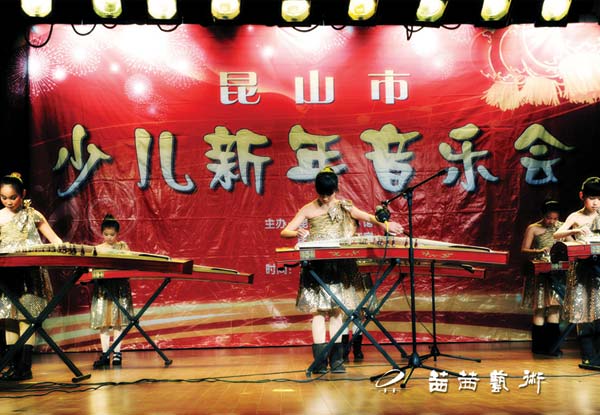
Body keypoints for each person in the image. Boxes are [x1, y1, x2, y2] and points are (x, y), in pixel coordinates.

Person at [280, 167, 403, 374]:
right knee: (319, 312)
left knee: (337, 311)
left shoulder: (345, 206)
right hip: (318, 266)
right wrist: (296, 232)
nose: (325, 198)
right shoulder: (308, 208)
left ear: (336, 190)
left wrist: (386, 225)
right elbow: (285, 231)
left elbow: (369, 217)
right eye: (321, 194)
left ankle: (337, 360)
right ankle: (320, 362)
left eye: (328, 194)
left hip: (340, 265)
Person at [0, 172, 63, 381]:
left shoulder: (32, 214)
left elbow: (55, 240)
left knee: (26, 317)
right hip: (7, 273)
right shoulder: (0, 216)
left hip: (29, 273)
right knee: (9, 318)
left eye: (13, 197)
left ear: (23, 194)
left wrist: (64, 249)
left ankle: (25, 367)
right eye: (3, 197)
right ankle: (12, 365)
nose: (8, 202)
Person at [553, 177, 600, 369]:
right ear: (582, 196)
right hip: (581, 270)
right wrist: (577, 230)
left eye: (599, 198)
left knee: (599, 312)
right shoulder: (576, 216)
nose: (596, 202)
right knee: (583, 312)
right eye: (592, 198)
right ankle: (589, 357)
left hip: (599, 269)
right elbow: (557, 234)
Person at [520, 200, 564, 356]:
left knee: (554, 307)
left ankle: (553, 347)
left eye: (555, 218)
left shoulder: (563, 228)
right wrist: (539, 251)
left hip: (557, 272)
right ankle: (538, 347)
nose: (552, 222)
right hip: (540, 272)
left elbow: (572, 244)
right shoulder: (533, 228)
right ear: (542, 215)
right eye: (548, 218)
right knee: (540, 308)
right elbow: (524, 250)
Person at [90, 214, 134, 369]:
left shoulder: (123, 247)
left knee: (118, 322)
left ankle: (117, 353)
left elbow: (129, 264)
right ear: (102, 233)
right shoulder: (98, 249)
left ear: (117, 234)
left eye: (112, 234)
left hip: (119, 287)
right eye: (106, 234)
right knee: (104, 322)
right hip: (103, 288)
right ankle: (105, 353)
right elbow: (92, 268)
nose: (109, 237)